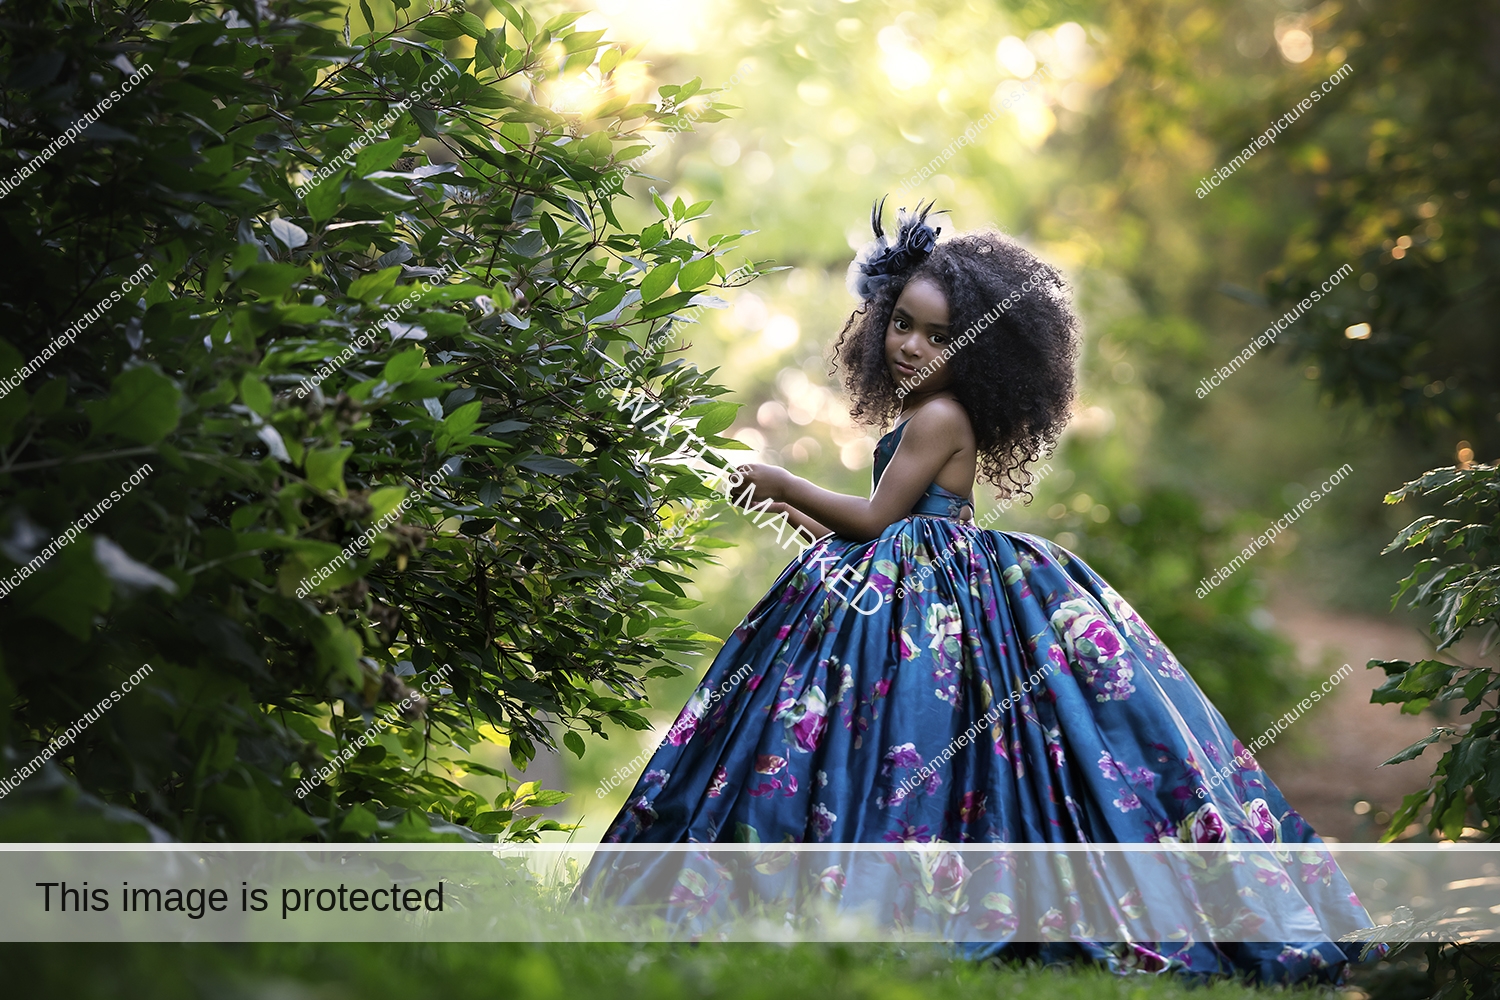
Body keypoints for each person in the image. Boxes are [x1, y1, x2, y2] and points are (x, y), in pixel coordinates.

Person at [580, 198, 1378, 983]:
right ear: (878, 320)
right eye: (902, 324)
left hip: (933, 595)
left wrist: (784, 475)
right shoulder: (923, 413)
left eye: (939, 336)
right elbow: (875, 536)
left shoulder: (939, 418)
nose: (912, 347)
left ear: (982, 353)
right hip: (908, 581)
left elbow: (874, 516)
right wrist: (784, 505)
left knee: (927, 729)